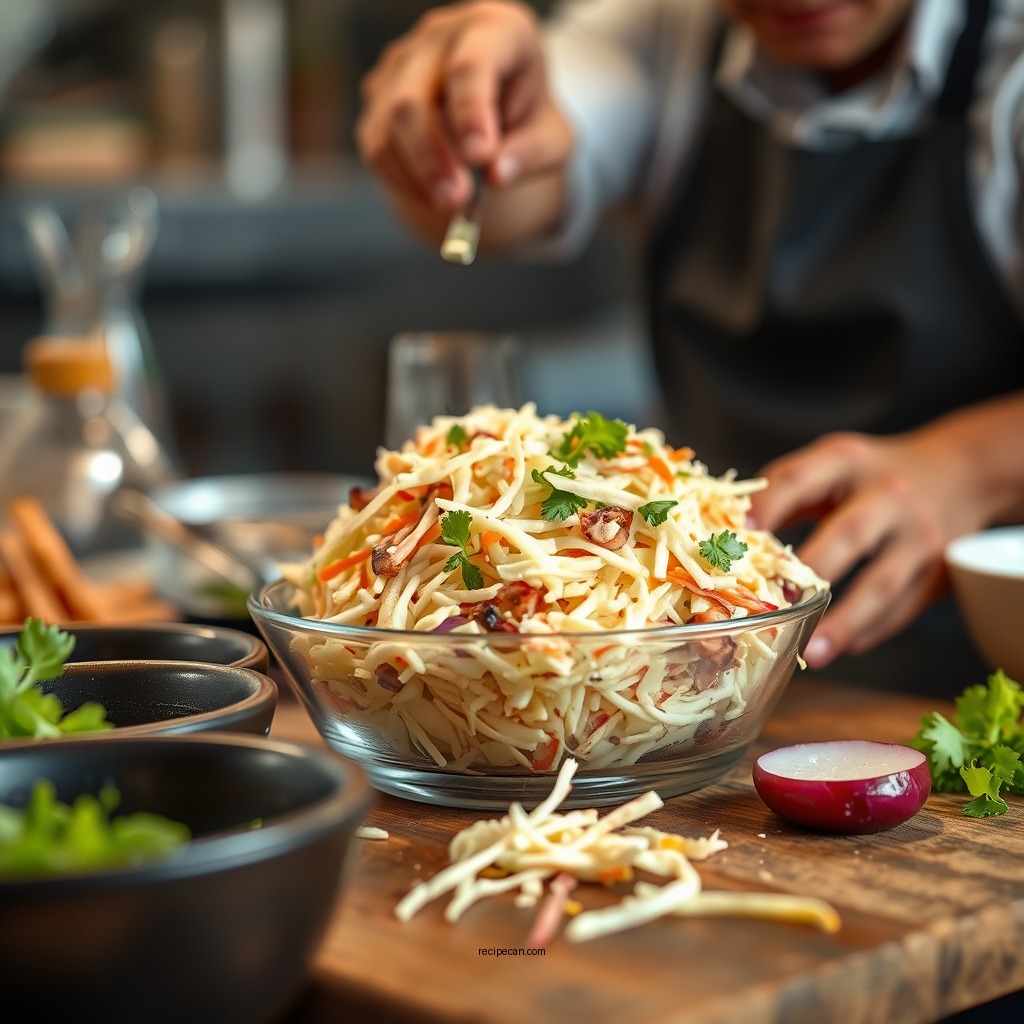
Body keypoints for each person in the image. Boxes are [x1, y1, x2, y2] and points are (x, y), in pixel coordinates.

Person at [355, 0, 1024, 695]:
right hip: (681, 664)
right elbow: (516, 192)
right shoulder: (663, 31)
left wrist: (968, 467)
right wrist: (463, 124)